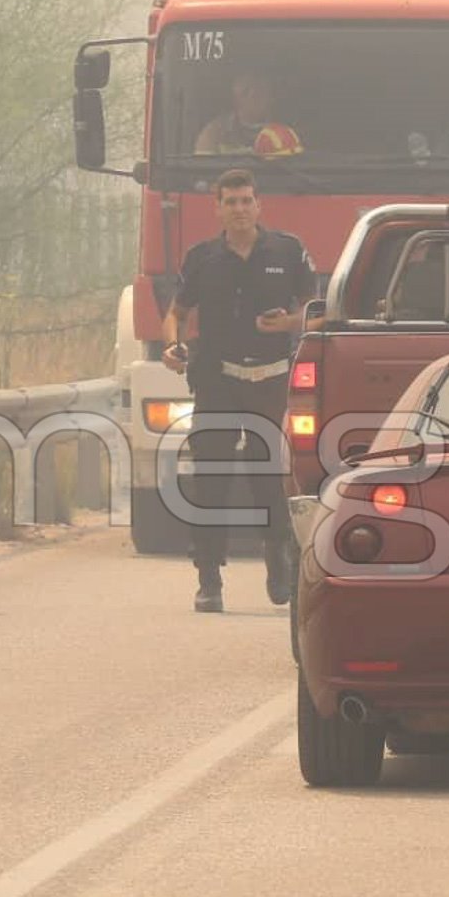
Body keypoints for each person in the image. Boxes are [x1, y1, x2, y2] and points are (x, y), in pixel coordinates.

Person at [162, 169, 321, 613]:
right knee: (211, 480)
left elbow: (315, 311)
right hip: (216, 378)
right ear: (218, 208)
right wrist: (172, 344)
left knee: (268, 478)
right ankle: (209, 579)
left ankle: (279, 563)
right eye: (230, 202)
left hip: (271, 380)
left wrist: (289, 323)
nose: (239, 209)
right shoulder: (202, 258)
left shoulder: (286, 251)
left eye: (246, 200)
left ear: (258, 205)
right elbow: (175, 312)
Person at [194, 71, 303, 157]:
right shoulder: (215, 132)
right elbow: (201, 174)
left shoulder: (288, 132)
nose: (252, 95)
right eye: (246, 91)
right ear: (234, 96)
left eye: (260, 90)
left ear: (271, 96)